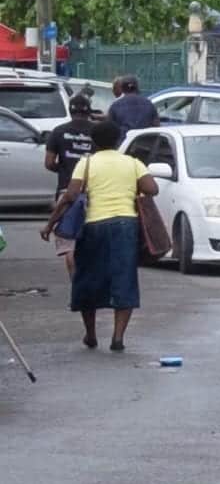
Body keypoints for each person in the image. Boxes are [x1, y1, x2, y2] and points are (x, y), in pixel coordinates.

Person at [42, 121, 157, 352]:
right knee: (124, 278)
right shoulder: (133, 163)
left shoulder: (85, 164)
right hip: (126, 225)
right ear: (118, 141)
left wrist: (50, 223)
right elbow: (152, 189)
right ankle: (117, 338)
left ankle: (91, 335)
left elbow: (70, 196)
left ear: (93, 142)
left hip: (94, 225)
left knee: (87, 278)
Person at [41, 93, 97, 276]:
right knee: (91, 242)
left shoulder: (58, 131)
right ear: (89, 111)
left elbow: (49, 162)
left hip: (67, 190)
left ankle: (77, 287)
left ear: (70, 110)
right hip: (94, 192)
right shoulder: (98, 131)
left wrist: (64, 169)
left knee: (70, 245)